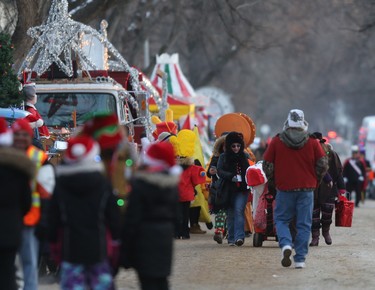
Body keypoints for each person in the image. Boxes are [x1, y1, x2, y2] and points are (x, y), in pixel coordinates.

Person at [48, 135, 121, 289]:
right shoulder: (103, 185)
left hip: (70, 250)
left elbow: (52, 221)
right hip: (99, 250)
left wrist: (54, 250)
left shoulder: (61, 185)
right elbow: (114, 220)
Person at [263, 109, 328, 268]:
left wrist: (274, 181)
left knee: (282, 220)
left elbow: (267, 165)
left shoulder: (277, 141)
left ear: (288, 122)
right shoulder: (313, 142)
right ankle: (300, 259)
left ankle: (285, 244)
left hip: (284, 188)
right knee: (304, 224)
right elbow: (323, 164)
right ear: (303, 122)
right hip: (306, 189)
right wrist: (316, 180)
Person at [120, 142, 180, 290]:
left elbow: (132, 218)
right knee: (162, 280)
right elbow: (177, 215)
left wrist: (125, 248)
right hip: (165, 236)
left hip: (144, 236)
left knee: (147, 282)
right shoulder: (171, 184)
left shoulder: (139, 184)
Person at [11, 119, 55, 290]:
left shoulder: (38, 157)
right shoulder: (6, 155)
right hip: (12, 216)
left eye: (24, 134)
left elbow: (47, 190)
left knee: (28, 261)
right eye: (17, 135)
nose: (21, 138)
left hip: (31, 218)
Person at [0, 117, 35, 290]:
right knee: (7, 271)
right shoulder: (19, 169)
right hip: (11, 229)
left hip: (15, 226)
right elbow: (26, 201)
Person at [309, 132, 346, 246]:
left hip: (329, 189)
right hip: (313, 189)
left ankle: (326, 232)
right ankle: (315, 237)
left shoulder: (332, 155)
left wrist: (341, 189)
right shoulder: (309, 155)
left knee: (327, 214)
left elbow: (338, 172)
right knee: (313, 216)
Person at [217, 131, 251, 246]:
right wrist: (231, 176)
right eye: (233, 146)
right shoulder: (223, 157)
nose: (236, 148)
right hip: (229, 189)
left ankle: (239, 237)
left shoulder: (245, 156)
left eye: (238, 146)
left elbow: (250, 169)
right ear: (229, 146)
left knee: (238, 210)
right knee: (230, 213)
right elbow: (220, 171)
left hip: (242, 189)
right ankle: (231, 238)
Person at [207, 134, 227, 244]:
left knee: (230, 213)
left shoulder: (239, 156)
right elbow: (209, 172)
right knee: (221, 211)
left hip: (233, 189)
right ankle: (219, 231)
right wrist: (211, 171)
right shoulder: (216, 157)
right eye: (224, 146)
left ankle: (225, 231)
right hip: (218, 189)